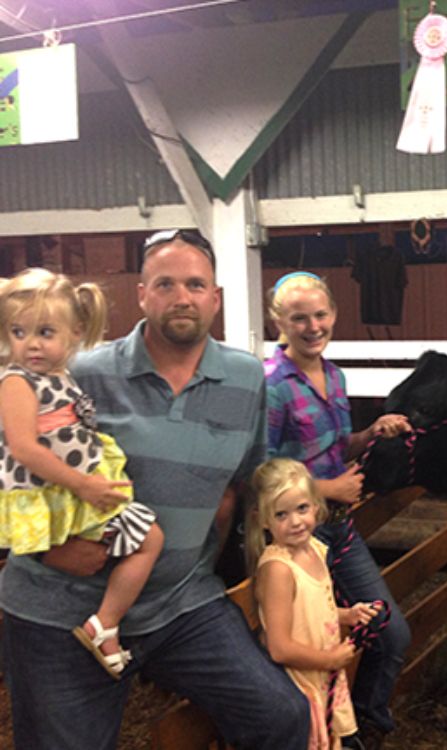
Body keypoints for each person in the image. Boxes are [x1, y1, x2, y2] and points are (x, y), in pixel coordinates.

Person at [0, 229, 309, 750]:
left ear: (215, 297)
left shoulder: (245, 378)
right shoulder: (75, 372)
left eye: (195, 284)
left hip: (181, 604)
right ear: (142, 293)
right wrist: (49, 550)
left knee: (280, 715)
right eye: (165, 284)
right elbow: (12, 462)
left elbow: (245, 481)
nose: (181, 297)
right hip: (62, 608)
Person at [265, 271, 412, 749]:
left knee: (390, 631)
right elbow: (262, 470)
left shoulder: (334, 374)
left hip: (337, 529)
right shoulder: (272, 385)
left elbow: (333, 444)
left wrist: (370, 434)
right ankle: (334, 737)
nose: (312, 326)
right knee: (309, 645)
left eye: (320, 314)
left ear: (334, 314)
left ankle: (365, 721)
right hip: (296, 536)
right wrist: (327, 488)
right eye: (299, 318)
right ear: (279, 323)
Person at [0, 268, 164, 679]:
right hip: (53, 492)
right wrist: (82, 484)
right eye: (19, 332)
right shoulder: (16, 382)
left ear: (75, 333)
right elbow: (22, 447)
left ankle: (105, 622)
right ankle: (103, 624)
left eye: (45, 333)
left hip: (75, 486)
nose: (31, 344)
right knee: (150, 538)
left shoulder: (58, 376)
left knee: (143, 538)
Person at [250, 457, 382, 750]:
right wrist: (330, 660)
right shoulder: (278, 570)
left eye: (302, 508)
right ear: (263, 519)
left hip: (323, 676)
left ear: (315, 505)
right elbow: (280, 646)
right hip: (301, 681)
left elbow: (310, 609)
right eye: (281, 514)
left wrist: (346, 614)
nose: (296, 521)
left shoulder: (316, 550)